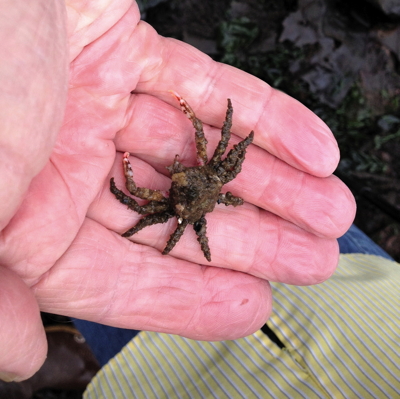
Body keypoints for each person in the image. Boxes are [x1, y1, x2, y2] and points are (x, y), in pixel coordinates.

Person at [0, 0, 360, 385]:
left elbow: (156, 181)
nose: (176, 174)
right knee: (308, 229)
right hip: (201, 199)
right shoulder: (205, 177)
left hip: (201, 199)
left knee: (201, 183)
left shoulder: (198, 189)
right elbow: (206, 151)